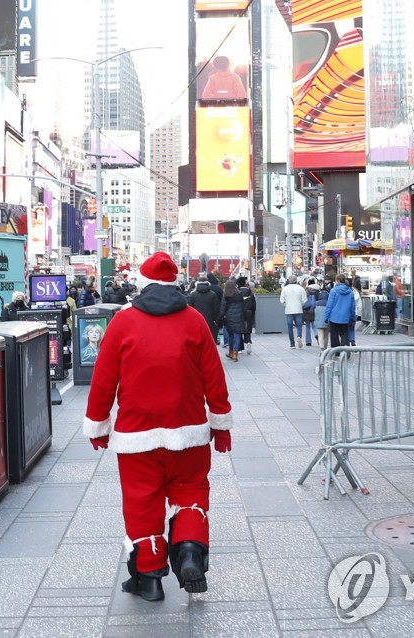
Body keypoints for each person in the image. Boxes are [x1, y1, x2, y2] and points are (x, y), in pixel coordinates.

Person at [84, 252, 231, 601]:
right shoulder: (194, 320)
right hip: (190, 433)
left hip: (137, 437)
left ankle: (148, 579)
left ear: (143, 282)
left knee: (142, 502)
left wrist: (99, 425)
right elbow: (214, 376)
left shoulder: (122, 322)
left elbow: (104, 380)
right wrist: (221, 424)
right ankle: (191, 551)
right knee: (191, 492)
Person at [324, 274, 357, 348]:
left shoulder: (333, 291)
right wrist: (352, 316)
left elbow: (329, 305)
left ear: (338, 281)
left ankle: (336, 351)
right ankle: (345, 348)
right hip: (345, 316)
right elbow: (352, 306)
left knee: (334, 335)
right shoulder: (350, 292)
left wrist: (326, 317)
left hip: (334, 317)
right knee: (345, 333)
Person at [218, 280, 248, 361]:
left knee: (231, 335)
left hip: (229, 318)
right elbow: (243, 307)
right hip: (239, 316)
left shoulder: (226, 295)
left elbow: (222, 308)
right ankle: (235, 353)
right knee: (238, 335)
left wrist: (218, 318)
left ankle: (231, 351)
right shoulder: (239, 294)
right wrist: (245, 318)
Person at [187, 274, 220, 344]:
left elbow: (189, 309)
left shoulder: (193, 295)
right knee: (210, 342)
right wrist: (217, 321)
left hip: (197, 322)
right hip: (210, 321)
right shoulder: (212, 294)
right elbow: (216, 309)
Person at [280, 276, 308, 348]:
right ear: (296, 281)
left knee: (290, 327)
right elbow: (305, 300)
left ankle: (292, 344)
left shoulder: (285, 289)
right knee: (299, 325)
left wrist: (286, 305)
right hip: (298, 309)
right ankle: (299, 336)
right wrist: (300, 304)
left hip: (289, 310)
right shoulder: (300, 288)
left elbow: (282, 300)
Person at [236, 277, 256, 355]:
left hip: (239, 313)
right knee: (247, 329)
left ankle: (240, 348)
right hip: (248, 313)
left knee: (239, 330)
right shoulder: (250, 292)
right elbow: (254, 305)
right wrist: (252, 314)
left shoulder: (237, 292)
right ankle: (248, 342)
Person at [302, 278, 320, 347]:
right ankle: (316, 335)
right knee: (314, 325)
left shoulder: (306, 290)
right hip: (314, 309)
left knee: (307, 326)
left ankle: (308, 341)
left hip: (306, 310)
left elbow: (303, 300)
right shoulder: (317, 290)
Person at [315, 280, 332, 350]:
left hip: (319, 322)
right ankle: (325, 348)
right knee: (326, 336)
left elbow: (310, 310)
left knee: (320, 335)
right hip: (327, 321)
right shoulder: (329, 303)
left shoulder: (316, 303)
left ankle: (321, 347)